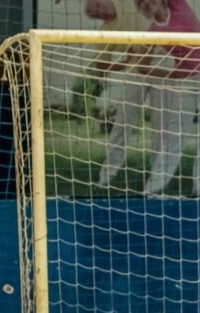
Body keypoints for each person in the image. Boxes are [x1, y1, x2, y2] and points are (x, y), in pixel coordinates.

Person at [133, 0, 200, 197]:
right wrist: (172, 74)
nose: (149, 5)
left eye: (151, 0)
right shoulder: (153, 33)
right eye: (143, 4)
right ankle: (153, 189)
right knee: (176, 131)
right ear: (141, 10)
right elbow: (143, 66)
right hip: (186, 77)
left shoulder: (179, 6)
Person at [85, 0, 153, 189]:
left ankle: (157, 179)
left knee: (163, 125)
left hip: (162, 60)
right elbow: (101, 67)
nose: (100, 13)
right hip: (136, 72)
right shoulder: (106, 31)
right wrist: (125, 61)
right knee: (122, 122)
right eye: (95, 15)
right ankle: (106, 176)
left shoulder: (126, 3)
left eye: (98, 7)